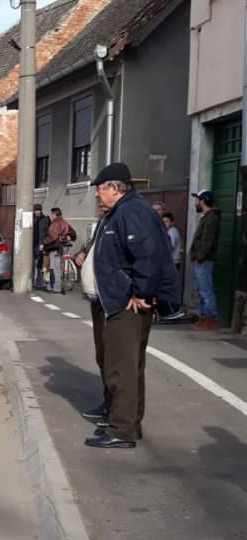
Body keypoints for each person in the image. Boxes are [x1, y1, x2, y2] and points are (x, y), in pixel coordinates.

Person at [78, 163, 180, 449]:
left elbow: (147, 256)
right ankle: (126, 422)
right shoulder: (120, 211)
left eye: (99, 189)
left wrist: (140, 292)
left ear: (114, 188)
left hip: (127, 304)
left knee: (121, 368)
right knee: (123, 365)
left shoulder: (132, 211)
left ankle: (122, 430)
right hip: (117, 301)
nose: (97, 195)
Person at [190, 190, 220, 331]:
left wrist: (200, 256)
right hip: (201, 259)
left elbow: (208, 240)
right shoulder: (207, 217)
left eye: (197, 200)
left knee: (206, 290)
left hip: (204, 260)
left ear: (203, 201)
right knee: (202, 290)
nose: (196, 203)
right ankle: (204, 316)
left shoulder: (211, 218)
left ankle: (210, 317)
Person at [41, 207, 76, 294]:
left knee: (52, 267)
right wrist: (72, 238)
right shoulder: (65, 223)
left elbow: (53, 237)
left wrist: (43, 243)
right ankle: (55, 286)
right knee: (58, 267)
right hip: (62, 247)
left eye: (52, 214)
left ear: (54, 214)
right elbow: (73, 233)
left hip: (54, 247)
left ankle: (56, 287)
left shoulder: (55, 224)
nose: (51, 216)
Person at [158, 212, 185, 320]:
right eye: (163, 222)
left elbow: (168, 247)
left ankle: (170, 310)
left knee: (167, 288)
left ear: (172, 223)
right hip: (171, 263)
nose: (165, 224)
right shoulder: (169, 232)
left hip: (172, 263)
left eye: (167, 221)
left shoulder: (172, 233)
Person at [32, 204, 50, 290]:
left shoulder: (45, 219)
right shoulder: (31, 218)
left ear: (41, 210)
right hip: (31, 243)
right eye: (36, 210)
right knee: (32, 264)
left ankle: (39, 282)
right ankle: (32, 281)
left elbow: (47, 233)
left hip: (40, 244)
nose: (37, 212)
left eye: (38, 210)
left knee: (39, 264)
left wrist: (43, 244)